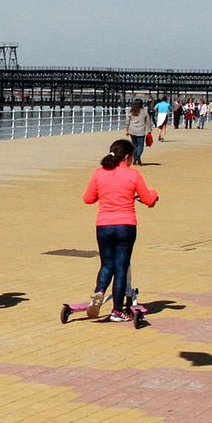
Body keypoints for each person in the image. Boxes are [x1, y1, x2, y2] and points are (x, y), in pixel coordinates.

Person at [71, 138, 159, 324]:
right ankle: (117, 311)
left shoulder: (99, 173)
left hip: (103, 225)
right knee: (121, 267)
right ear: (127, 157)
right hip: (125, 226)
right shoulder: (133, 175)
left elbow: (88, 199)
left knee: (106, 265)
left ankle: (99, 292)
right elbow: (149, 200)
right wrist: (154, 194)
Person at [125, 100, 153, 165]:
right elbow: (148, 122)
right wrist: (149, 130)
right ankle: (138, 156)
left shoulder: (132, 111)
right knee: (140, 145)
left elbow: (127, 121)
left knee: (134, 145)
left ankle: (135, 158)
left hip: (132, 130)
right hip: (141, 130)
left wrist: (127, 130)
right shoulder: (144, 112)